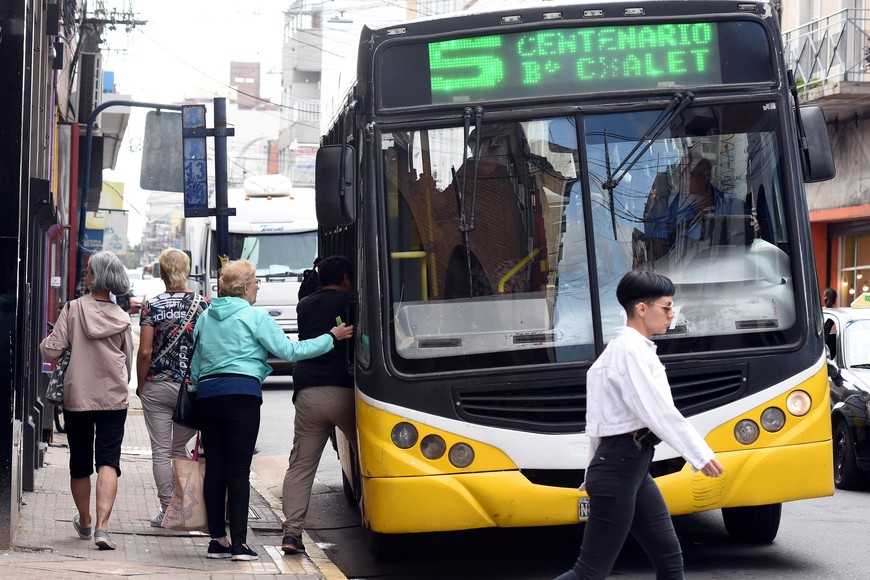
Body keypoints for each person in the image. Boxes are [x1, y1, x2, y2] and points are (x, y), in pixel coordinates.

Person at [555, 268, 724, 580]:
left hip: (629, 467)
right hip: (620, 468)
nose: (672, 315)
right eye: (667, 306)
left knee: (669, 560)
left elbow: (597, 426)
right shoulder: (629, 351)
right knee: (589, 572)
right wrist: (698, 454)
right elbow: (657, 411)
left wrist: (592, 473)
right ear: (642, 308)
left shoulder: (623, 351)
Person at [190, 259, 353, 561]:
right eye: (255, 282)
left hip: (208, 397)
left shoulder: (206, 317)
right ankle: (239, 544)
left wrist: (199, 392)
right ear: (244, 287)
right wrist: (332, 337)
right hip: (241, 395)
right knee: (238, 471)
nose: (258, 286)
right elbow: (291, 352)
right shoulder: (255, 317)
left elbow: (196, 365)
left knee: (214, 468)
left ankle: (218, 541)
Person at [39, 250, 133, 551]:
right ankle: (103, 529)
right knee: (108, 460)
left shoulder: (74, 308)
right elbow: (127, 360)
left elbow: (52, 351)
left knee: (80, 461)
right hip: (113, 398)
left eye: (89, 271)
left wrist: (46, 343)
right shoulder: (121, 317)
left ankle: (85, 519)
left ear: (96, 276)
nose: (86, 275)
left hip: (78, 396)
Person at [281, 255, 356, 555]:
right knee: (372, 454)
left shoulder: (304, 305)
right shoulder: (350, 302)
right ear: (347, 279)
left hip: (308, 392)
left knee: (300, 466)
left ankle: (291, 532)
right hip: (345, 393)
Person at [136, 248, 209, 527]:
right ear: (187, 270)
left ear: (162, 272)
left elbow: (144, 352)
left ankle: (168, 509)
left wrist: (142, 385)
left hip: (157, 385)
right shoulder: (203, 305)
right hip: (189, 388)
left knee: (161, 451)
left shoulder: (152, 306)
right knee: (180, 447)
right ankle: (185, 511)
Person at [645, 158, 748, 259]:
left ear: (706, 175)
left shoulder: (733, 205)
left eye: (688, 174)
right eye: (680, 174)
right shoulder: (666, 207)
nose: (682, 179)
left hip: (728, 269)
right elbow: (656, 250)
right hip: (680, 270)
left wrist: (754, 228)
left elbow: (747, 242)